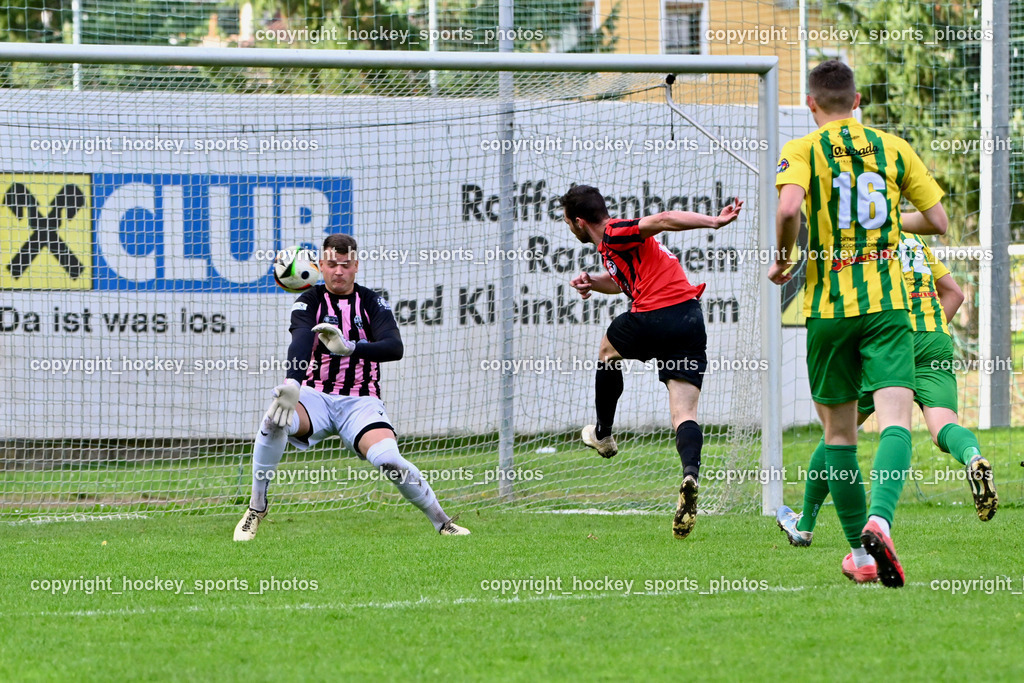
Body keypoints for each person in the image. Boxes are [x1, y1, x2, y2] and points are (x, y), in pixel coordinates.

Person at [769, 60, 948, 587]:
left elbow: (787, 208)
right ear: (858, 99)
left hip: (828, 310)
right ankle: (881, 519)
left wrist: (784, 257)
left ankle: (861, 556)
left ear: (810, 104)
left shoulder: (803, 150)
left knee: (840, 436)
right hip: (888, 306)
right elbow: (937, 220)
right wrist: (892, 218)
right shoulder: (893, 148)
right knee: (897, 420)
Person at [776, 235, 998, 563]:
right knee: (943, 427)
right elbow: (955, 293)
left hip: (889, 340)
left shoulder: (860, 237)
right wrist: (930, 331)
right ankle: (973, 457)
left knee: (838, 431)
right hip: (935, 338)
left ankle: (805, 524)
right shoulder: (916, 242)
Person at [234, 234, 469, 541]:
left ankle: (443, 521)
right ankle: (256, 507)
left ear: (356, 265)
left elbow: (394, 347)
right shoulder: (309, 299)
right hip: (315, 396)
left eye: (345, 265)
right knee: (274, 420)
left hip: (361, 402)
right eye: (332, 264)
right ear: (320, 266)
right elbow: (301, 338)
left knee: (389, 460)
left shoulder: (372, 302)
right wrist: (293, 382)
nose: (339, 271)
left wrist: (350, 348)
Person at [560, 184, 742, 539]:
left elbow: (662, 218)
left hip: (655, 314)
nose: (569, 229)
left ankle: (603, 434)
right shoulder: (613, 250)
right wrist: (592, 283)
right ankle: (690, 473)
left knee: (606, 352)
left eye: (568, 223)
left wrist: (714, 222)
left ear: (580, 222)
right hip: (689, 317)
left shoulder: (614, 231)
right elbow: (623, 282)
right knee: (684, 414)